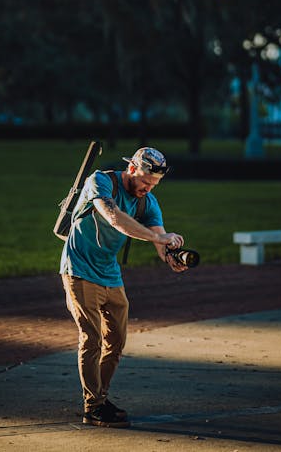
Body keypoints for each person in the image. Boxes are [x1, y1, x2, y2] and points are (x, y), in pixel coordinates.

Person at [60, 146, 186, 428]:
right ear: (131, 168)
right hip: (78, 269)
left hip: (110, 274)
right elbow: (114, 218)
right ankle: (92, 407)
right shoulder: (101, 181)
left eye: (154, 184)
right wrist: (162, 239)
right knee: (91, 338)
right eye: (145, 181)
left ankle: (100, 400)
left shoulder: (148, 201)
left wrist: (170, 256)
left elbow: (158, 237)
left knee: (116, 341)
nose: (147, 188)